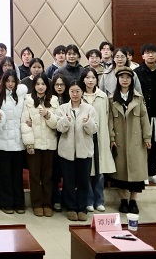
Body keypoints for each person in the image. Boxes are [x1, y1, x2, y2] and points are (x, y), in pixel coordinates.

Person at [108, 66, 151, 215]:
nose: (125, 80)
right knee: (119, 174)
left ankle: (133, 201)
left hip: (136, 140)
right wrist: (111, 138)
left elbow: (144, 118)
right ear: (117, 80)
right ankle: (123, 200)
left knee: (136, 172)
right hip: (119, 140)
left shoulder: (138, 98)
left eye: (128, 77)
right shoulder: (112, 99)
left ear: (132, 80)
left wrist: (147, 137)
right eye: (122, 77)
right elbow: (109, 121)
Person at [56, 80, 98, 222]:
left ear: (82, 92)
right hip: (66, 151)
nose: (75, 94)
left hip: (84, 151)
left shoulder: (90, 109)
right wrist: (65, 121)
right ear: (68, 92)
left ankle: (82, 208)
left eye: (77, 91)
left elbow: (94, 129)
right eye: (72, 91)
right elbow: (59, 128)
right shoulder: (62, 108)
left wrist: (88, 123)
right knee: (68, 181)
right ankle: (71, 208)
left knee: (83, 181)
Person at [21, 73, 58, 217]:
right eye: (37, 84)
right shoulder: (28, 100)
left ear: (47, 86)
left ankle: (47, 204)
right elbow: (25, 123)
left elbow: (56, 124)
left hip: (49, 144)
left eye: (43, 84)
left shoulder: (54, 100)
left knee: (48, 176)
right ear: (34, 86)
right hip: (34, 144)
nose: (40, 87)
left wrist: (47, 114)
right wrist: (29, 143)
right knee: (35, 176)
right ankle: (36, 204)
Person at [0, 70, 28, 214]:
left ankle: (19, 203)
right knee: (5, 174)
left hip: (19, 141)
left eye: (13, 81)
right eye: (8, 81)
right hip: (3, 140)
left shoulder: (22, 95)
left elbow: (26, 114)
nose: (11, 84)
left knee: (17, 174)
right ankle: (6, 203)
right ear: (4, 82)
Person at [80, 67, 115, 213]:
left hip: (101, 135)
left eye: (93, 78)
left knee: (100, 169)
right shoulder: (79, 96)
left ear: (97, 80)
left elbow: (108, 117)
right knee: (87, 169)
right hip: (85, 135)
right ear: (83, 80)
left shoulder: (102, 96)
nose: (90, 80)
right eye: (87, 77)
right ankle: (88, 200)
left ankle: (99, 200)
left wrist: (111, 137)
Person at [134, 43, 156, 185]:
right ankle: (142, 173)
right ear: (143, 56)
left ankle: (152, 173)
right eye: (147, 52)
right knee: (141, 143)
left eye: (153, 52)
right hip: (141, 114)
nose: (150, 55)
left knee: (155, 143)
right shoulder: (137, 72)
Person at [51, 72, 69, 212]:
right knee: (54, 173)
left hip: (68, 139)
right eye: (56, 84)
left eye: (62, 84)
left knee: (68, 173)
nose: (59, 87)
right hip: (53, 138)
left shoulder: (71, 100)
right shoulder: (50, 99)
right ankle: (55, 199)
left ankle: (67, 200)